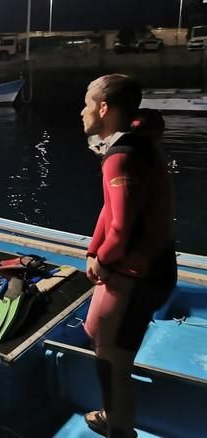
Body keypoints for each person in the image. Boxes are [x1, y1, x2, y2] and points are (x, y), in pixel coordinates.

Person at [81, 75, 177, 438]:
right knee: (111, 350)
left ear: (104, 108)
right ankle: (113, 417)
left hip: (135, 275)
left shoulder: (120, 158)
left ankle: (119, 429)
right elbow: (111, 209)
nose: (82, 110)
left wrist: (103, 259)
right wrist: (94, 248)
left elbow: (120, 226)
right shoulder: (139, 146)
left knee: (113, 362)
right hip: (156, 266)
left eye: (87, 102)